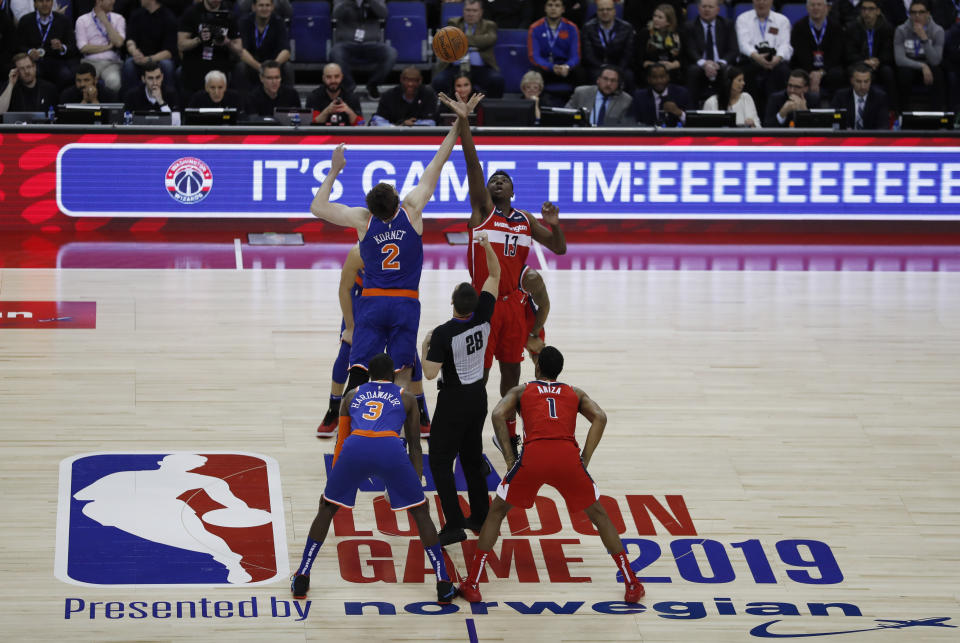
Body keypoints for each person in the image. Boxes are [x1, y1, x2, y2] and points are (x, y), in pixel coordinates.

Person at [308, 94, 478, 397]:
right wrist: (459, 122)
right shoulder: (412, 211)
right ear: (397, 199)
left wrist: (334, 169)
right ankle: (394, 434)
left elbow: (318, 208)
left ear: (371, 208)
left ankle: (350, 435)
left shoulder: (363, 221)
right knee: (401, 374)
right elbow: (440, 159)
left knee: (359, 372)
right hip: (404, 303)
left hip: (371, 303)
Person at [456, 345, 645, 605]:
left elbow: (498, 414)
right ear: (559, 371)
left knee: (497, 512)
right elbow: (600, 417)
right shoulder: (575, 392)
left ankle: (473, 583)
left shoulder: (522, 390)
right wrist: (585, 459)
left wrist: (511, 458)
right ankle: (632, 583)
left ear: (537, 367)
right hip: (567, 457)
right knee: (599, 516)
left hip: (534, 457)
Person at [291, 353, 456, 605]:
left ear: (368, 375)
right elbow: (415, 446)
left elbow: (341, 442)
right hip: (390, 448)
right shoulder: (407, 397)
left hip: (355, 447)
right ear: (392, 376)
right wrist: (417, 480)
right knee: (421, 512)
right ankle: (443, 582)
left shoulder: (351, 395)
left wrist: (334, 483)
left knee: (326, 508)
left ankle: (302, 575)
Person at [456, 93, 567, 460]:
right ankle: (469, 431)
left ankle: (507, 436)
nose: (497, 182)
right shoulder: (482, 211)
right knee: (478, 377)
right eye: (493, 180)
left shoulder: (523, 220)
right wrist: (465, 124)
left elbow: (559, 248)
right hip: (485, 306)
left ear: (514, 190)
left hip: (514, 308)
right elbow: (473, 165)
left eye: (504, 180)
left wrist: (554, 225)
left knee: (510, 378)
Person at [419, 231, 500, 546]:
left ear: (453, 302)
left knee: (440, 460)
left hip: (453, 400)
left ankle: (453, 523)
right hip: (478, 396)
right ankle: (480, 515)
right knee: (471, 456)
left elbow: (428, 373)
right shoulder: (484, 315)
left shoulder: (442, 333)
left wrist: (425, 343)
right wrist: (487, 247)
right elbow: (494, 275)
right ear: (475, 303)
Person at [74, 453, 264, 584]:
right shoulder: (124, 477)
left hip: (166, 511)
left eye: (188, 466)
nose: (186, 468)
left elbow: (228, 498)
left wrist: (243, 510)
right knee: (93, 509)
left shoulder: (199, 480)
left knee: (203, 539)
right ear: (162, 463)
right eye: (183, 464)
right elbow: (83, 497)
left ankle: (235, 567)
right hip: (129, 513)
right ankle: (234, 566)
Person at [317, 245, 432, 438]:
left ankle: (421, 410)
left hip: (395, 301)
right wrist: (350, 327)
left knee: (408, 357)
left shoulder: (404, 249)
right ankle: (334, 410)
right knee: (347, 352)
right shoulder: (359, 251)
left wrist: (409, 321)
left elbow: (414, 287)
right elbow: (344, 290)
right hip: (363, 300)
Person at [432, 0, 505, 99]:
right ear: (463, 11)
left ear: (481, 12)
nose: (471, 14)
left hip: (480, 68)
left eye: (474, 11)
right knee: (439, 81)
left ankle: (491, 110)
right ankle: (444, 110)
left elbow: (489, 40)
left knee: (497, 80)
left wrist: (460, 39)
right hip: (455, 67)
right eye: (468, 10)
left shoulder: (489, 25)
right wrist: (478, 41)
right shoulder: (453, 22)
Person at [329, 0, 396, 99]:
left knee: (391, 53)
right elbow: (336, 14)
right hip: (347, 44)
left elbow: (384, 14)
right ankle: (350, 88)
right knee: (335, 52)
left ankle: (372, 85)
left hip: (371, 44)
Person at [735, 0, 792, 115]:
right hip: (751, 59)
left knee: (782, 71)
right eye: (758, 0)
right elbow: (743, 44)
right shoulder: (743, 19)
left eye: (765, 0)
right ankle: (751, 116)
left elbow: (785, 45)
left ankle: (775, 116)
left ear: (771, 2)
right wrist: (757, 57)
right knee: (746, 71)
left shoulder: (782, 20)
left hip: (775, 61)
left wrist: (778, 58)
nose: (761, 3)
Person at [177, 0, 242, 95]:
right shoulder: (191, 12)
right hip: (195, 62)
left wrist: (227, 42)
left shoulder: (230, 15)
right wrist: (199, 39)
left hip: (220, 63)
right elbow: (181, 45)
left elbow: (239, 50)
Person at [683, 0, 739, 107]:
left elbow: (733, 50)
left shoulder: (727, 24)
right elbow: (690, 49)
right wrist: (705, 64)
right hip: (700, 64)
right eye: (704, 6)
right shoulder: (689, 26)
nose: (707, 9)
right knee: (692, 71)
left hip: (721, 64)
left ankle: (726, 110)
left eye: (710, 7)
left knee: (727, 71)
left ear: (718, 10)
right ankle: (691, 113)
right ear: (698, 9)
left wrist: (719, 63)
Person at [843, 0, 897, 109]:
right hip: (859, 63)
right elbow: (849, 53)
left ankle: (893, 111)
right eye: (864, 9)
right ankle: (850, 109)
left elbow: (889, 52)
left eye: (871, 9)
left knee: (888, 72)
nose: (867, 12)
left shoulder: (887, 28)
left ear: (878, 11)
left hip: (879, 65)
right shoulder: (852, 28)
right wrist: (864, 61)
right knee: (849, 71)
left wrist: (878, 60)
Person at [894, 0, 945, 110]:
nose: (917, 16)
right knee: (903, 73)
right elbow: (899, 59)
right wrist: (922, 66)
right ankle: (902, 114)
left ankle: (937, 115)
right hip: (910, 64)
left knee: (938, 72)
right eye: (913, 12)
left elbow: (936, 60)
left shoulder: (937, 31)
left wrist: (924, 38)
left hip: (930, 64)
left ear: (928, 14)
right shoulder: (901, 30)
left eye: (921, 12)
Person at [790, 0, 845, 101]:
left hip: (827, 69)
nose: (815, 8)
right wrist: (812, 74)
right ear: (807, 8)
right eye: (812, 5)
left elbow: (835, 55)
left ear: (826, 8)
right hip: (806, 68)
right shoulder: (798, 27)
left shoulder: (836, 27)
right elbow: (800, 54)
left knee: (838, 74)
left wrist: (820, 73)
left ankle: (835, 106)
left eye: (819, 5)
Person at [527, 0, 581, 101]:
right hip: (545, 68)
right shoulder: (535, 28)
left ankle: (578, 107)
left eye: (557, 5)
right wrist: (551, 67)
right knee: (534, 74)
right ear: (545, 8)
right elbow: (534, 56)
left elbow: (575, 56)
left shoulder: (572, 27)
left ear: (563, 9)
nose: (553, 8)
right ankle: (536, 108)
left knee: (581, 73)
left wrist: (567, 66)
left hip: (565, 69)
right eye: (550, 5)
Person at [16, 0, 76, 89]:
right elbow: (17, 45)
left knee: (66, 75)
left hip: (56, 61)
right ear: (35, 4)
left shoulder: (63, 20)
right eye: (41, 1)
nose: (44, 4)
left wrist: (61, 48)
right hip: (33, 62)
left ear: (52, 3)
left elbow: (72, 47)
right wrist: (29, 52)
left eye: (48, 1)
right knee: (33, 73)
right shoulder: (25, 21)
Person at [122, 0, 178, 96]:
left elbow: (169, 51)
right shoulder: (136, 15)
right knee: (129, 64)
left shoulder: (169, 17)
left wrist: (149, 59)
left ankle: (170, 101)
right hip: (139, 57)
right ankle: (130, 102)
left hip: (159, 58)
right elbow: (130, 40)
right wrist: (134, 52)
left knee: (167, 65)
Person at [234, 0, 290, 93]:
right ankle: (242, 103)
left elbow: (286, 51)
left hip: (272, 63)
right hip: (252, 65)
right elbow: (241, 51)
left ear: (272, 7)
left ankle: (287, 103)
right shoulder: (244, 22)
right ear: (253, 7)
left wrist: (273, 67)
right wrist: (260, 67)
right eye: (261, 5)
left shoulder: (279, 22)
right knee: (240, 67)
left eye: (267, 5)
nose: (264, 8)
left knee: (288, 67)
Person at [581, 0, 636, 91]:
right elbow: (588, 54)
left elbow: (628, 54)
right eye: (601, 10)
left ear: (614, 11)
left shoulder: (627, 28)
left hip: (619, 66)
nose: (605, 12)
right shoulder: (588, 28)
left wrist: (617, 69)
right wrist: (603, 68)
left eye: (608, 9)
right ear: (597, 12)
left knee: (629, 76)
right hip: (596, 66)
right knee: (590, 75)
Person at [75, 0, 125, 93]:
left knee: (114, 82)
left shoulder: (119, 19)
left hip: (111, 63)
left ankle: (111, 107)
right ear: (99, 1)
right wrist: (108, 47)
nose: (113, 1)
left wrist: (105, 21)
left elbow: (118, 43)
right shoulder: (82, 20)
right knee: (85, 82)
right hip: (89, 62)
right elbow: (83, 48)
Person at [565, 63, 634, 125]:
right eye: (605, 79)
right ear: (598, 80)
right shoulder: (581, 93)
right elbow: (566, 115)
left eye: (613, 81)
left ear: (618, 84)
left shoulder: (626, 100)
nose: (608, 84)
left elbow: (625, 126)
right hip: (581, 136)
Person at [370, 66, 437, 126]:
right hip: (393, 135)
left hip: (422, 136)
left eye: (414, 80)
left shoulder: (428, 95)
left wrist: (414, 125)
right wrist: (399, 126)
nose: (410, 84)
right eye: (407, 80)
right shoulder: (388, 95)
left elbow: (431, 122)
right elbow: (378, 120)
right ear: (401, 79)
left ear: (420, 80)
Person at [831, 61, 890, 129]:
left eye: (866, 81)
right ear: (852, 81)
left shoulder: (880, 97)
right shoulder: (841, 96)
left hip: (871, 138)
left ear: (871, 81)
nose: (863, 86)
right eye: (858, 81)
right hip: (847, 138)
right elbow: (833, 120)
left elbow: (883, 125)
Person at [637, 3, 683, 85]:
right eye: (655, 16)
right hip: (650, 70)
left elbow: (683, 58)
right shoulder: (645, 33)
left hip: (671, 71)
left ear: (668, 22)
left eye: (660, 17)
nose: (655, 19)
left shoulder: (677, 35)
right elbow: (639, 59)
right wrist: (655, 65)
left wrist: (673, 65)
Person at [305, 62, 364, 126]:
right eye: (329, 77)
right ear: (323, 78)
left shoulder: (352, 97)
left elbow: (361, 124)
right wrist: (327, 111)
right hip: (322, 135)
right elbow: (310, 125)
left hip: (345, 135)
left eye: (336, 76)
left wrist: (350, 112)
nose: (333, 81)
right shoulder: (314, 97)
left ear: (341, 77)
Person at [632, 61, 689, 126]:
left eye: (662, 77)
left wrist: (679, 112)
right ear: (648, 79)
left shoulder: (681, 93)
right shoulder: (640, 96)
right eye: (654, 77)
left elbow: (692, 122)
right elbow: (633, 121)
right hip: (649, 135)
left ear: (668, 77)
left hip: (674, 135)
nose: (659, 81)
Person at [519, 265, 549, 362]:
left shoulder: (530, 277)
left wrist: (533, 335)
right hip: (497, 316)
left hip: (523, 318)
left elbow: (544, 305)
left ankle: (544, 377)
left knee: (539, 355)